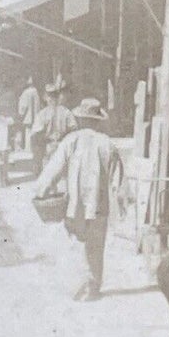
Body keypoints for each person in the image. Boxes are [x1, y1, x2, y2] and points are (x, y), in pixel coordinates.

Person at [35, 97, 123, 301]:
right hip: (99, 205)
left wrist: (42, 190)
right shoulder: (107, 144)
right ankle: (93, 286)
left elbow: (53, 170)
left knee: (76, 243)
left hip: (74, 205)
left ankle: (78, 284)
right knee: (96, 246)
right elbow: (117, 180)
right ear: (98, 120)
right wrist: (120, 200)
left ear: (81, 119)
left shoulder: (71, 141)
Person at [30, 78, 78, 175]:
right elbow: (74, 130)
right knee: (63, 176)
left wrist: (36, 158)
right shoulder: (66, 112)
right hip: (63, 147)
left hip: (48, 147)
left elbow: (36, 135)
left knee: (49, 176)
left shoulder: (42, 114)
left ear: (45, 97)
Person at [16, 74, 42, 156]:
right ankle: (33, 150)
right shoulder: (36, 91)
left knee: (28, 134)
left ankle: (28, 150)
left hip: (28, 117)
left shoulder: (26, 92)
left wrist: (20, 115)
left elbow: (23, 107)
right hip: (36, 116)